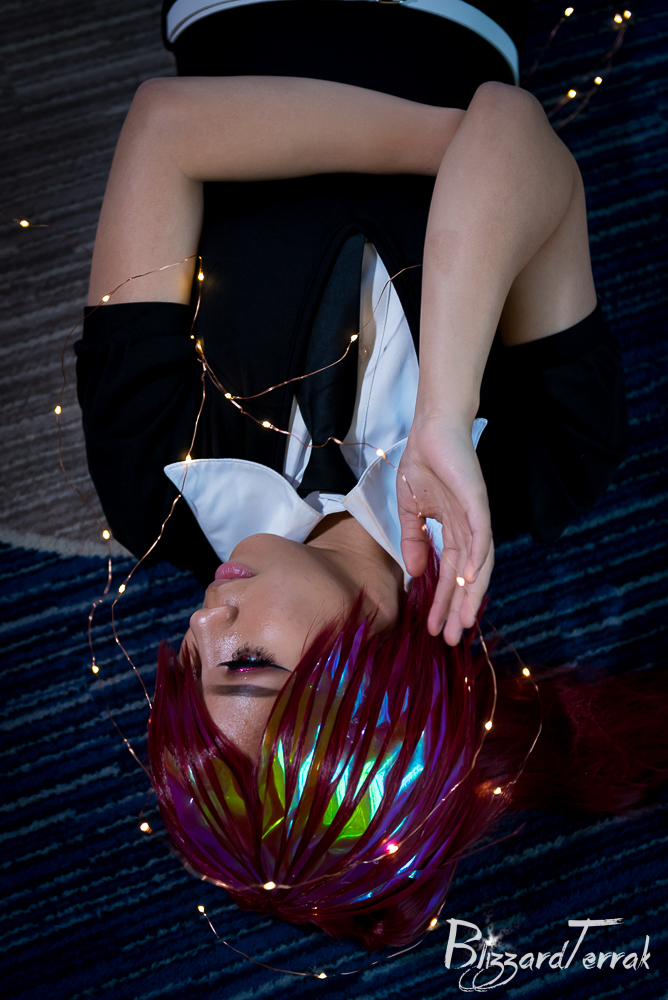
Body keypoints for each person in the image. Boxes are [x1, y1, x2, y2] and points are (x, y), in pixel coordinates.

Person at [75, 1, 653, 954]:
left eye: (190, 670)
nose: (200, 627)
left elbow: (164, 130)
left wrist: (453, 156)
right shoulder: (550, 464)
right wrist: (444, 414)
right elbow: (513, 126)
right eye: (246, 665)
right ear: (378, 685)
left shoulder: (151, 482)